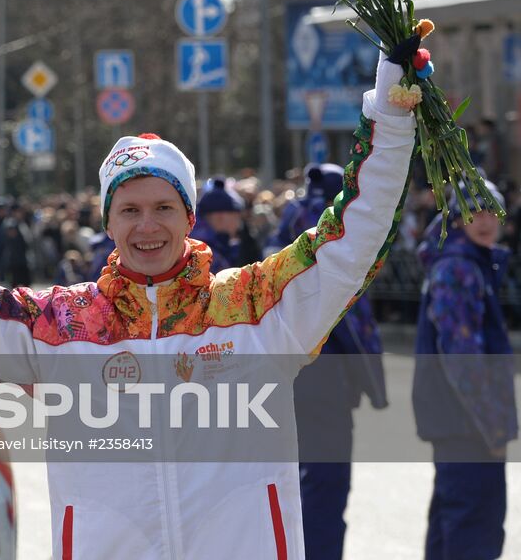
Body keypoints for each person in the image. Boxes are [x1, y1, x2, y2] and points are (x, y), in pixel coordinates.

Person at [0, 44, 419, 559]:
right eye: (130, 210)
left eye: (162, 208)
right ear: (109, 221)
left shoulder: (256, 305)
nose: (146, 226)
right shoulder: (62, 325)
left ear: (189, 217)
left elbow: (353, 235)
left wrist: (391, 115)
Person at [273, 162, 387, 560]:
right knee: (325, 487)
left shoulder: (293, 221)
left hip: (303, 378)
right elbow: (353, 319)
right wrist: (371, 381)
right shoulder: (330, 229)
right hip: (321, 378)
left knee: (308, 487)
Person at [413, 181, 516, 560]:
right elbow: (462, 357)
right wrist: (494, 426)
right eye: (473, 212)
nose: (485, 221)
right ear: (456, 220)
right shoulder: (458, 268)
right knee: (475, 528)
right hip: (468, 424)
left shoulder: (465, 262)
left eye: (492, 212)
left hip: (457, 421)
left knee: (452, 524)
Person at [189, 176, 262, 273]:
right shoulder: (204, 253)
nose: (238, 225)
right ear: (220, 218)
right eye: (236, 218)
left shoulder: (215, 245)